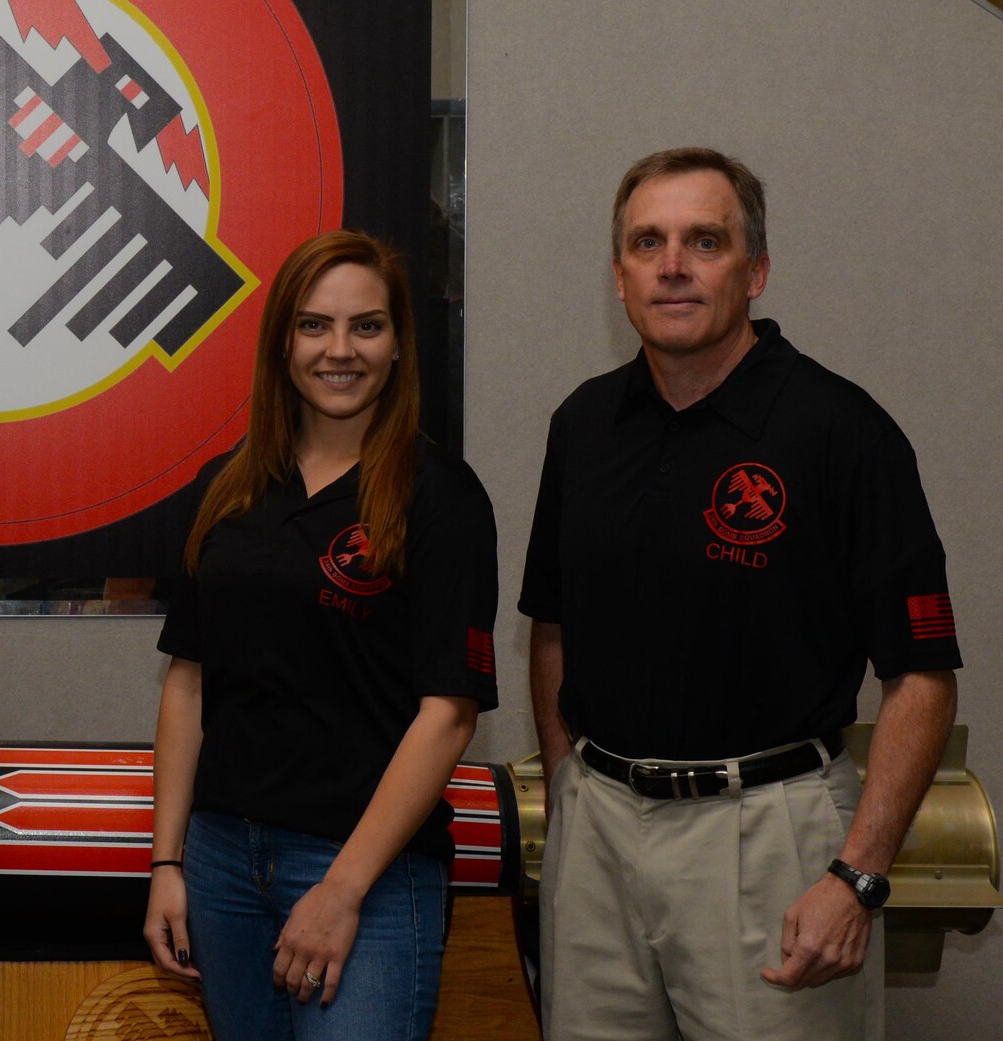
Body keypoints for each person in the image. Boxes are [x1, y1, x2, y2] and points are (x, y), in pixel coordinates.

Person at [522, 147, 960, 1041]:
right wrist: (571, 790)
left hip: (772, 839)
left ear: (755, 269)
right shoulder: (582, 426)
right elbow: (553, 623)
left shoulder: (844, 431)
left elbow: (921, 677)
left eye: (704, 241)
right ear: (619, 276)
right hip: (599, 837)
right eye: (648, 242)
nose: (673, 265)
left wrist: (858, 875)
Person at [143, 230, 497, 1041]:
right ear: (281, 344)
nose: (340, 350)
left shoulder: (442, 497)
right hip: (223, 860)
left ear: (400, 344)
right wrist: (168, 861)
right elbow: (188, 681)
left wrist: (342, 888)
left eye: (366, 326)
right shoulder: (228, 489)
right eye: (314, 326)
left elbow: (448, 713)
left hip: (366, 873)